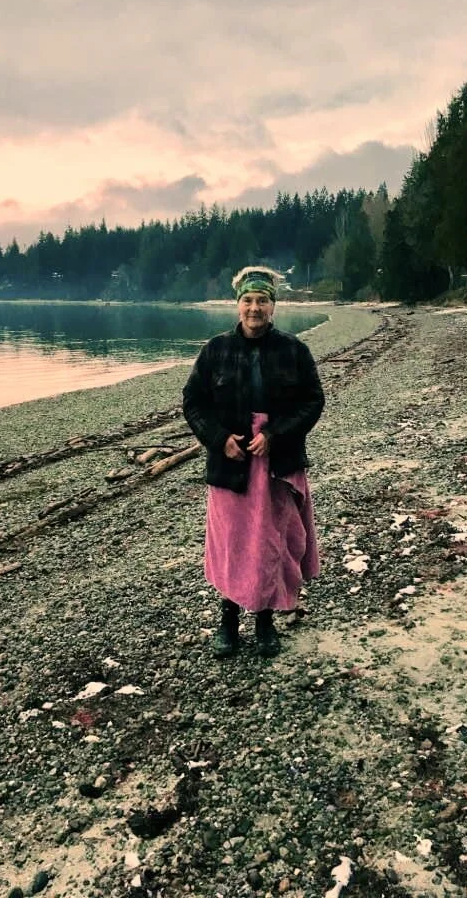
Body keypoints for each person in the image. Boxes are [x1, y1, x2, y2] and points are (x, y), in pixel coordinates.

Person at [182, 266, 325, 658]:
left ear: (273, 306)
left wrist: (276, 434)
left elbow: (313, 401)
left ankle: (264, 622)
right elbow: (193, 403)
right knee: (231, 543)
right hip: (230, 464)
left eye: (262, 301)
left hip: (278, 461)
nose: (254, 308)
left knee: (269, 541)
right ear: (238, 304)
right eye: (248, 300)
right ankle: (228, 621)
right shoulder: (215, 350)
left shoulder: (294, 350)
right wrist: (218, 439)